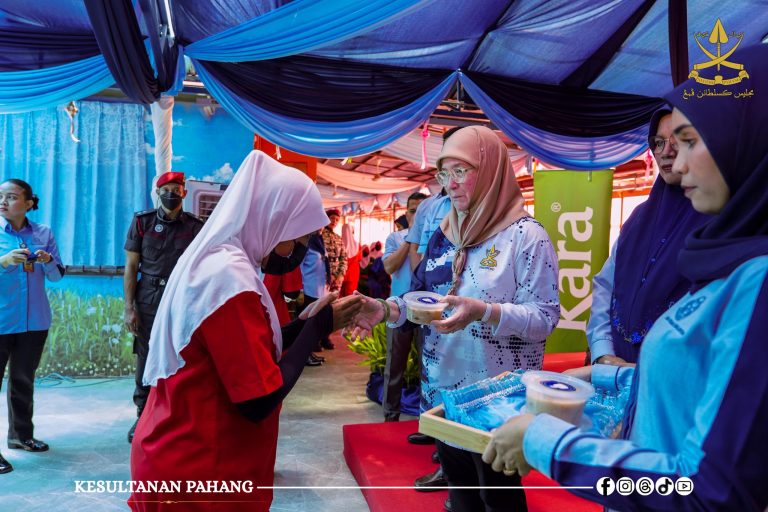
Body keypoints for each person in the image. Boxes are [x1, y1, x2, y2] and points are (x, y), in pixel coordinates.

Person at [481, 44, 768, 512]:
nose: (678, 161)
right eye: (668, 144)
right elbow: (694, 394)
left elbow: (707, 491)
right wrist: (604, 375)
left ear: (751, 140)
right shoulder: (725, 260)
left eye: (693, 140)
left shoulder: (758, 281)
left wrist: (549, 445)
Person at [129, 150, 362, 511]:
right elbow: (258, 400)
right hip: (199, 473)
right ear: (273, 219)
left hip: (189, 455)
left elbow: (241, 345)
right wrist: (318, 327)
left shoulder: (222, 262)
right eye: (297, 238)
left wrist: (302, 324)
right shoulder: (228, 281)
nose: (297, 251)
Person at [351, 126, 560, 512]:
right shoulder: (445, 234)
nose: (450, 185)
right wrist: (383, 309)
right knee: (461, 495)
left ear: (492, 169)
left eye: (461, 171)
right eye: (444, 174)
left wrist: (483, 311)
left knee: (498, 498)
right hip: (445, 396)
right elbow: (419, 296)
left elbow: (544, 317)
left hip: (498, 402)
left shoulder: (526, 237)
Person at [587, 109, 709, 365]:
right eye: (659, 142)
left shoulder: (717, 221)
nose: (666, 151)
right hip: (615, 379)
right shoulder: (639, 219)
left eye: (680, 140)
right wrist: (603, 353)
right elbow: (606, 284)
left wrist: (641, 373)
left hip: (674, 381)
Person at [123, 171, 204, 443]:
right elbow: (132, 267)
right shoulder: (142, 222)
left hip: (182, 299)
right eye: (166, 189)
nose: (171, 193)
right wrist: (129, 308)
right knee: (146, 357)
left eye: (176, 189)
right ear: (158, 192)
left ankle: (177, 415)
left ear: (185, 192)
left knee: (181, 355)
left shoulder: (195, 226)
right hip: (149, 299)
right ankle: (143, 416)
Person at [0, 179, 64, 474]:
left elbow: (56, 275)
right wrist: (3, 261)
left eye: (11, 197)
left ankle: (21, 436)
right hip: (1, 320)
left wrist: (48, 260)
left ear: (28, 203)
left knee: (23, 381)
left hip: (34, 322)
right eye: (1, 196)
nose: (3, 202)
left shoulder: (43, 233)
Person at [382, 192, 427, 422]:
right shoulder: (395, 238)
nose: (416, 215)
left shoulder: (434, 238)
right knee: (394, 364)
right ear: (406, 212)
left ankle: (427, 420)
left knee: (427, 366)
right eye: (412, 210)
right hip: (398, 308)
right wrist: (411, 238)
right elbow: (389, 267)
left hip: (426, 311)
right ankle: (390, 417)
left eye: (421, 211)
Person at [340, 222, 361, 296]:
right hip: (353, 274)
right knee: (350, 296)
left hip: (341, 273)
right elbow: (360, 258)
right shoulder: (358, 245)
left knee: (339, 296)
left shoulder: (339, 243)